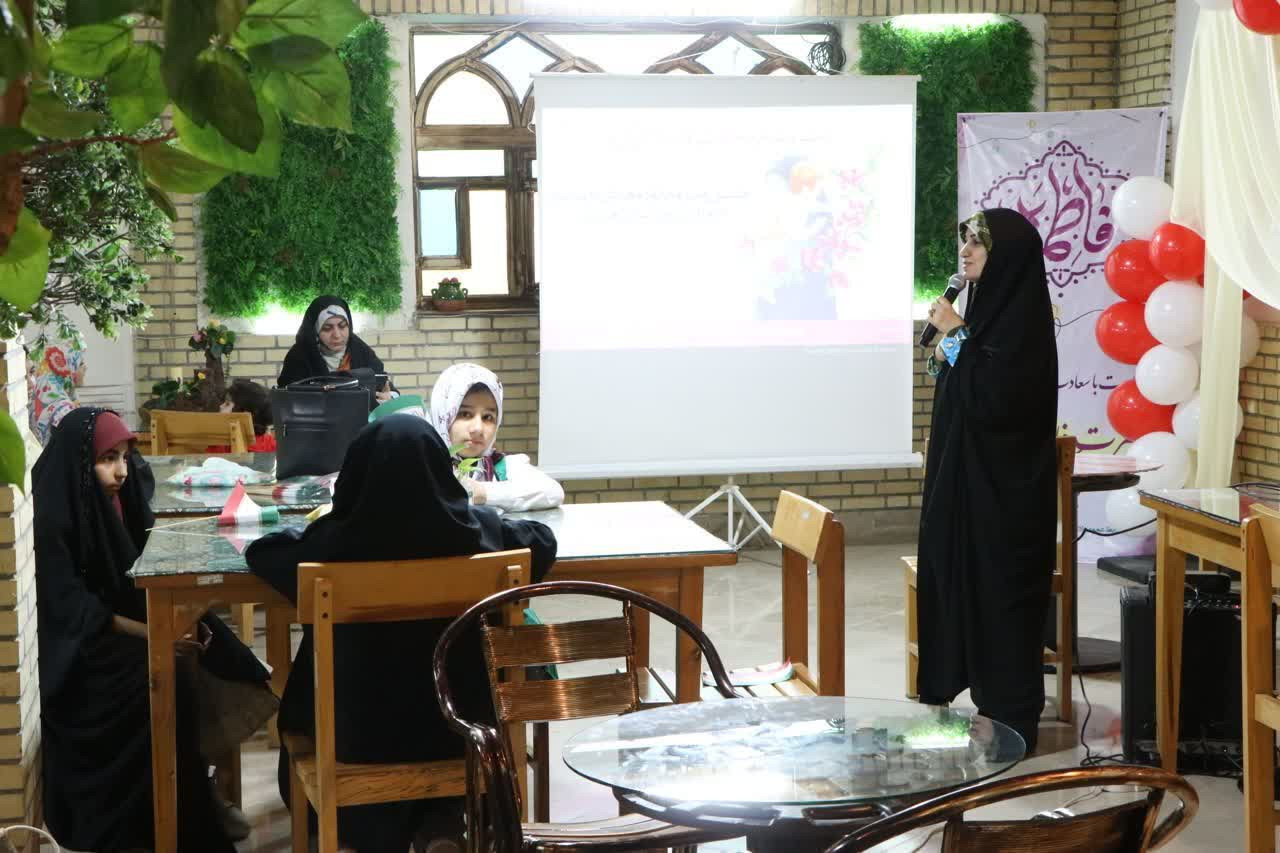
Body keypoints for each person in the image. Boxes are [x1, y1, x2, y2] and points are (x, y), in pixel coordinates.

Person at [245, 416, 558, 852]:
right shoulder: (481, 535)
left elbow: (261, 552)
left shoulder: (331, 544)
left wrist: (317, 526)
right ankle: (439, 821)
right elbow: (542, 540)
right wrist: (476, 513)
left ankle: (379, 830)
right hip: (464, 729)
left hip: (354, 737)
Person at [34, 408, 270, 852]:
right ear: (82, 462)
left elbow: (131, 580)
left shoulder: (114, 503)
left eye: (125, 457)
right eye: (108, 459)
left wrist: (182, 626)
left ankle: (190, 798)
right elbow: (76, 610)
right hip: (77, 653)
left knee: (210, 649)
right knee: (168, 671)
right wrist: (155, 636)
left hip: (109, 631)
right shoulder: (53, 516)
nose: (122, 471)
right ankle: (174, 812)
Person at [915, 208, 1058, 754]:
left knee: (1000, 597)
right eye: (966, 242)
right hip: (964, 486)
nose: (966, 252)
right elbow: (952, 378)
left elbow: (999, 402)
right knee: (956, 581)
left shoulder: (1024, 324)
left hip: (1005, 499)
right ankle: (965, 695)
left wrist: (958, 334)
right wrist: (953, 340)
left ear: (1008, 259)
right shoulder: (982, 314)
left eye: (978, 244)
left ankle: (1012, 716)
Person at [429, 362, 565, 512]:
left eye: (487, 417)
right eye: (465, 414)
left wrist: (481, 492)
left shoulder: (503, 467)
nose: (478, 428)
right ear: (442, 415)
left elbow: (552, 492)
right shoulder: (426, 468)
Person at [277, 295, 395, 405]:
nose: (337, 335)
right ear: (316, 331)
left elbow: (384, 385)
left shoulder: (360, 350)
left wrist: (390, 397)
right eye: (327, 328)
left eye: (342, 326)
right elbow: (284, 398)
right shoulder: (299, 356)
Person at [28, 336, 87, 446]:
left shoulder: (41, 393)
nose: (85, 367)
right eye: (80, 363)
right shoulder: (65, 411)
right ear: (66, 368)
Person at [213, 377, 277, 452]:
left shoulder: (222, 444)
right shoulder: (271, 443)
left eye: (227, 404)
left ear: (246, 414)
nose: (221, 406)